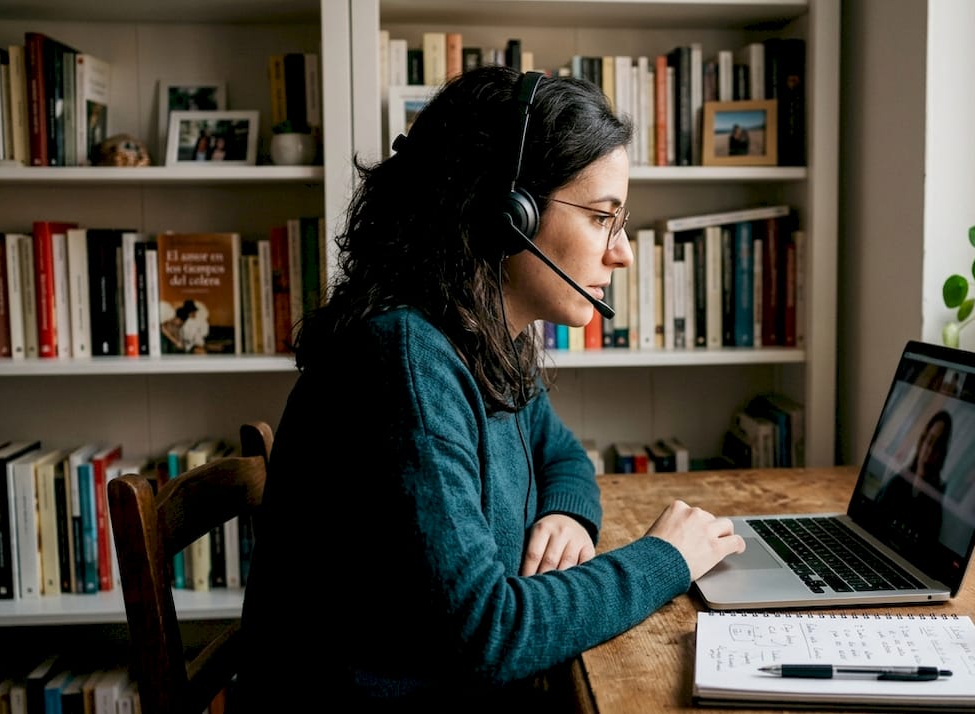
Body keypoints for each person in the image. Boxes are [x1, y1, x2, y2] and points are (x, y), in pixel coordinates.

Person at [236, 65, 746, 711]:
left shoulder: (484, 333)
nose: (622, 254)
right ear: (507, 216)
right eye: (600, 218)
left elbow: (558, 452)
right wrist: (666, 559)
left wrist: (566, 512)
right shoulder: (406, 361)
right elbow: (489, 632)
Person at [874, 409, 953, 542]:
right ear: (922, 442)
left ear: (942, 455)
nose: (930, 451)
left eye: (938, 445)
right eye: (929, 441)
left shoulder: (934, 509)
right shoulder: (898, 481)